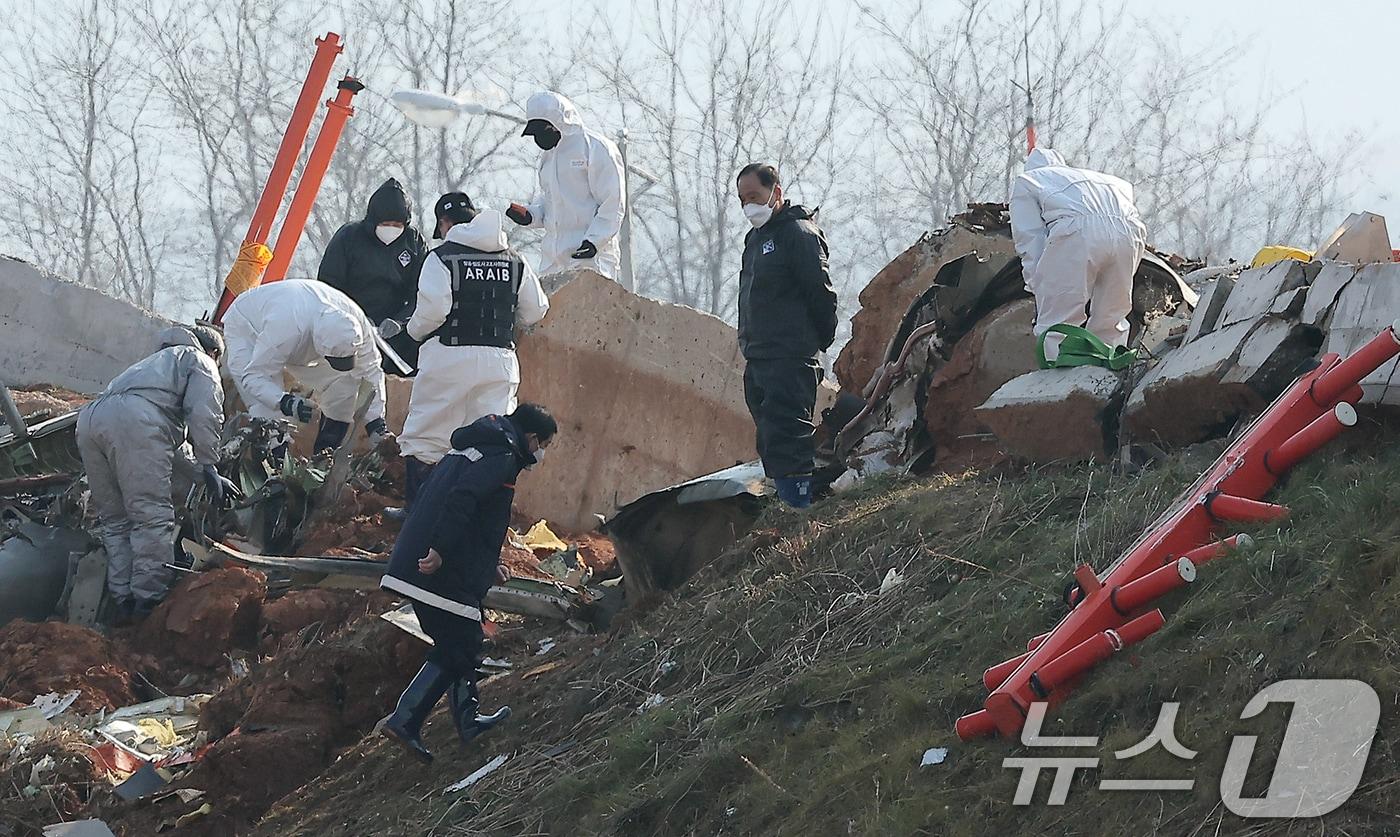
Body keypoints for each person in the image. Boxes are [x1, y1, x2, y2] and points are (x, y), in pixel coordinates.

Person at [377, 404, 558, 763]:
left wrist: (488, 563)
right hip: (437, 569)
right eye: (544, 445)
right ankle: (405, 719)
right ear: (533, 438)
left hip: (417, 560)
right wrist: (441, 549)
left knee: (458, 642)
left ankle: (469, 721)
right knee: (461, 643)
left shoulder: (475, 448)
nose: (540, 454)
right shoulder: (502, 456)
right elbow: (463, 499)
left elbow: (474, 515)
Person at [388, 193, 549, 521]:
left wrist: (412, 334)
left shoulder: (442, 257)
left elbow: (432, 312)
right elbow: (536, 310)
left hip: (449, 356)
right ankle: (475, 520)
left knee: (427, 435)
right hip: (500, 361)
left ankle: (417, 514)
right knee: (491, 443)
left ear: (445, 224)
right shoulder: (515, 259)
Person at [76, 324, 233, 619]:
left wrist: (203, 472)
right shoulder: (200, 361)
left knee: (115, 520)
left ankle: (121, 600)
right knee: (151, 517)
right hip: (135, 422)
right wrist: (211, 462)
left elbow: (171, 446)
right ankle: (148, 603)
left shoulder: (152, 366)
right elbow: (205, 414)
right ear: (213, 352)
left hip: (90, 419)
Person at [735, 162, 838, 510]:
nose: (750, 205)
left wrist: (820, 340)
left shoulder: (799, 234)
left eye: (755, 196)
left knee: (789, 435)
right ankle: (783, 502)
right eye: (743, 199)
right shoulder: (755, 239)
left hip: (790, 356)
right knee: (769, 438)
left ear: (775, 193)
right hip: (759, 356)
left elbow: (820, 292)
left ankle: (800, 508)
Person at [1009, 147, 1147, 361]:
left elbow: (1030, 238)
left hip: (1078, 233)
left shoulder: (1027, 180)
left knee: (1057, 323)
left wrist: (1038, 284)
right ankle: (1106, 371)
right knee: (1111, 316)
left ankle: (1053, 378)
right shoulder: (1098, 179)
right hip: (1129, 232)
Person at [223, 280, 389, 453]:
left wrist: (376, 422)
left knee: (345, 384)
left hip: (299, 339)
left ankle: (325, 455)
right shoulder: (286, 329)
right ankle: (273, 467)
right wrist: (285, 402)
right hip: (248, 328)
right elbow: (254, 377)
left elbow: (370, 369)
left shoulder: (355, 322)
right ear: (320, 344)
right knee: (266, 410)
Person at [506, 91, 626, 279]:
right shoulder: (549, 158)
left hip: (591, 260)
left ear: (560, 122)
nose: (538, 138)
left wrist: (594, 242)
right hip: (552, 261)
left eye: (543, 131)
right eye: (534, 133)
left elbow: (612, 202)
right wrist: (531, 215)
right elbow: (552, 203)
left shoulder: (595, 148)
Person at [317, 177, 430, 374]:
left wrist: (400, 321)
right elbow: (328, 288)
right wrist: (355, 318)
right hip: (351, 328)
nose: (391, 229)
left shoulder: (413, 242)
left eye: (397, 224)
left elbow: (422, 292)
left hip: (397, 336)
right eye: (386, 223)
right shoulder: (349, 237)